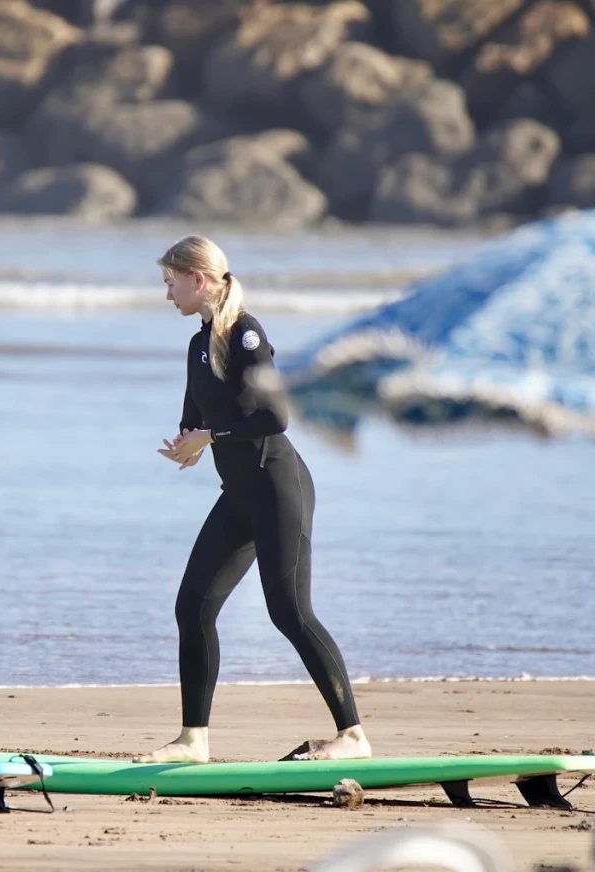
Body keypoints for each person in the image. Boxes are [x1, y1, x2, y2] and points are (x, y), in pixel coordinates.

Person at [132, 235, 371, 764]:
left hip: (277, 487)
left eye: (171, 283)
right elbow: (195, 416)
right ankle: (193, 739)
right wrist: (187, 444)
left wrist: (210, 437)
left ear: (198, 279)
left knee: (290, 612)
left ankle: (353, 735)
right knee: (193, 607)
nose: (167, 294)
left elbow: (275, 418)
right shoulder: (198, 345)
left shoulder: (246, 335)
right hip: (239, 494)